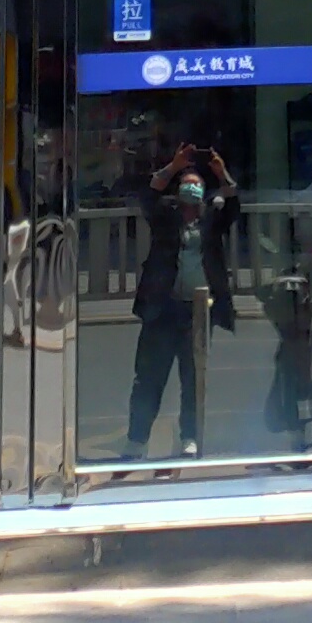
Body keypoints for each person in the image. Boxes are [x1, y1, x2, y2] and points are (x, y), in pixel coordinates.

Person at [122, 124, 238, 457]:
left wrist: (220, 172)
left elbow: (233, 205)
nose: (192, 189)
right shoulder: (166, 217)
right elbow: (149, 195)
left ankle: (190, 437)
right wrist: (174, 166)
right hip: (163, 309)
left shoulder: (211, 219)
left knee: (193, 379)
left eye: (197, 184)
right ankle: (136, 440)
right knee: (148, 378)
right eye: (186, 184)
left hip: (197, 312)